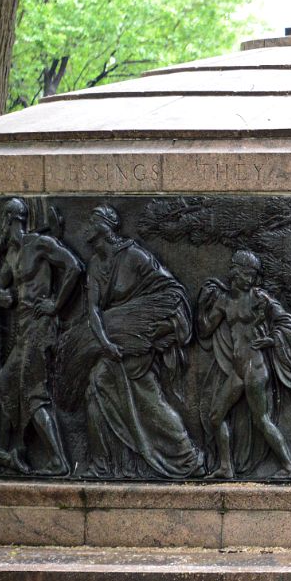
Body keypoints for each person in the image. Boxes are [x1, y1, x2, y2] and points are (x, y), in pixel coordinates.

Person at [81, 205, 202, 478]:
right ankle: (103, 464)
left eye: (92, 221)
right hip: (113, 345)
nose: (87, 226)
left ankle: (188, 457)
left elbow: (171, 292)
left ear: (105, 226)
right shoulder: (95, 265)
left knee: (150, 403)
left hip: (139, 345)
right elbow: (93, 311)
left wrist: (150, 331)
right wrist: (105, 343)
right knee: (96, 387)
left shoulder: (134, 255)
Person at [0, 197, 82, 476]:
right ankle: (16, 448)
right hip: (23, 327)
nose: (1, 226)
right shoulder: (12, 255)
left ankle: (58, 459)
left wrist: (55, 304)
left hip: (42, 326)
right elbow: (0, 285)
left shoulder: (38, 244)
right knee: (6, 380)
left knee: (32, 391)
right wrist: (0, 295)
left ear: (10, 220)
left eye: (3, 221)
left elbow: (74, 267)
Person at [198, 250, 291, 479]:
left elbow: (289, 324)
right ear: (236, 272)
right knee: (216, 417)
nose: (252, 279)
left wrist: (273, 339)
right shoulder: (224, 301)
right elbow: (205, 329)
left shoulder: (260, 298)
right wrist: (201, 305)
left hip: (255, 368)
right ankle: (226, 467)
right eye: (248, 274)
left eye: (254, 275)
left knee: (261, 420)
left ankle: (289, 467)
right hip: (238, 370)